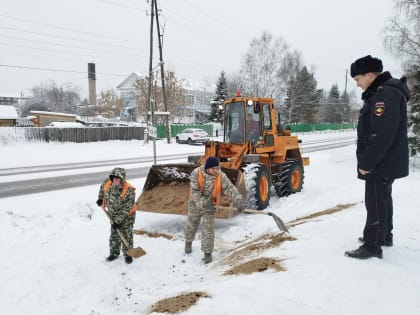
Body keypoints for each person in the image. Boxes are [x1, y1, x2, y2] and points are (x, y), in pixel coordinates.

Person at [345, 55, 409, 260]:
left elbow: (381, 134)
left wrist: (366, 163)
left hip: (380, 162)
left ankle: (372, 245)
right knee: (383, 198)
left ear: (371, 75)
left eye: (358, 78)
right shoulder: (383, 92)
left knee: (375, 201)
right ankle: (384, 236)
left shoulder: (384, 95)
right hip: (387, 161)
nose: (357, 83)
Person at [184, 157, 245, 264]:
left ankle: (207, 254)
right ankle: (188, 243)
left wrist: (239, 201)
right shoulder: (196, 173)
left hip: (211, 205)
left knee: (208, 229)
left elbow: (229, 188)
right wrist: (203, 204)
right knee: (192, 224)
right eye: (213, 169)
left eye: (217, 168)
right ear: (207, 168)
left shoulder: (220, 175)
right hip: (195, 203)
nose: (216, 171)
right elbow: (194, 191)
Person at [96, 167, 137, 264]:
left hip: (127, 216)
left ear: (122, 179)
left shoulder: (129, 190)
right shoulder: (107, 182)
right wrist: (100, 198)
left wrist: (117, 222)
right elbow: (102, 188)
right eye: (114, 178)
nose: (116, 181)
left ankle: (128, 254)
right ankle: (114, 253)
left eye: (118, 179)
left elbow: (126, 209)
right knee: (114, 235)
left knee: (126, 235)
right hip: (113, 214)